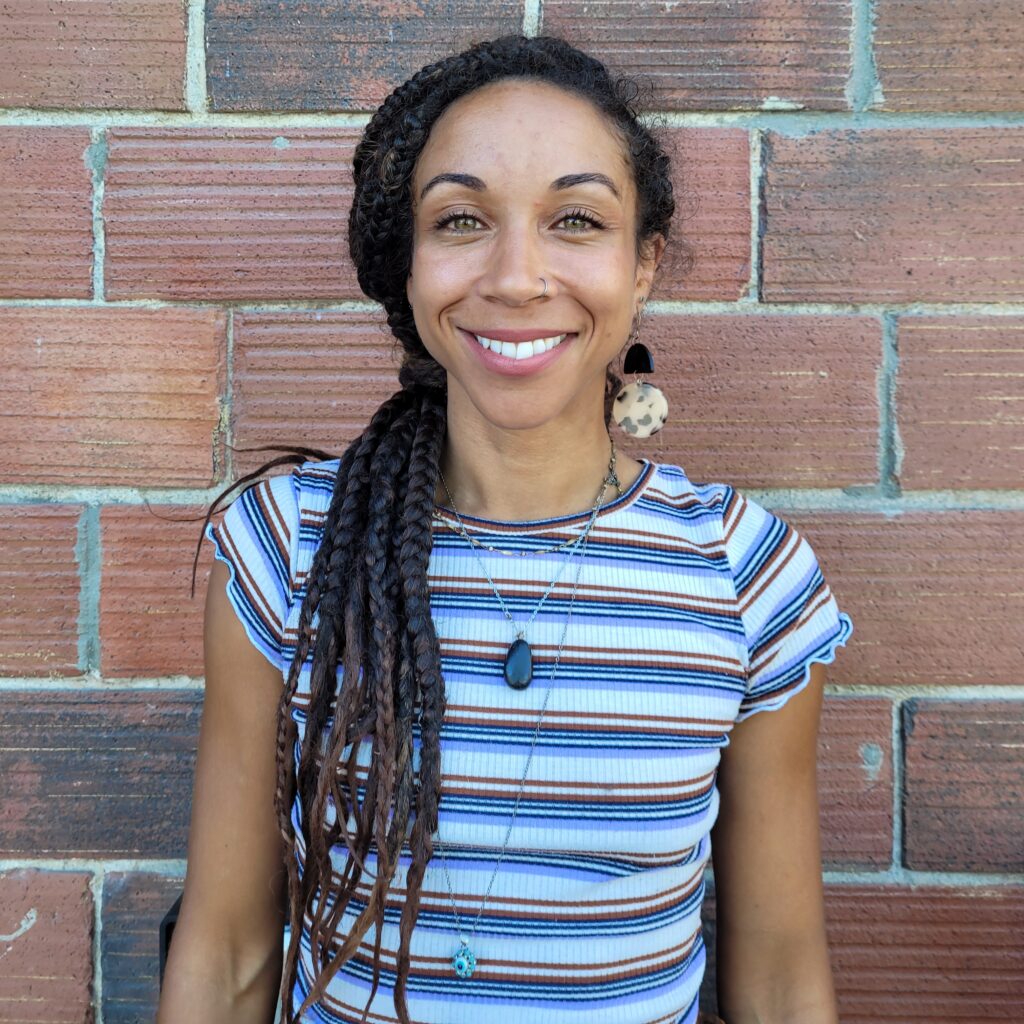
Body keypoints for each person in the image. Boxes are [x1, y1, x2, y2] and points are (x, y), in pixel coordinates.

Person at [158, 33, 854, 1024]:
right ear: (408, 264)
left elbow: (780, 973)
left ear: (643, 261)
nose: (517, 276)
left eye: (575, 219)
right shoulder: (289, 550)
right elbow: (226, 949)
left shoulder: (748, 578)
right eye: (460, 220)